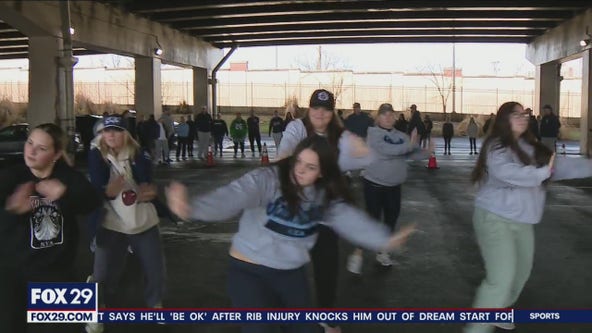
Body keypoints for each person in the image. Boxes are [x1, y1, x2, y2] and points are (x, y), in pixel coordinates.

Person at [166, 135, 414, 333]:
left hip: (289, 272)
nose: (300, 171)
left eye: (310, 167)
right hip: (248, 270)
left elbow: (351, 220)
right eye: (298, 163)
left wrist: (385, 240)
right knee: (259, 328)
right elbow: (233, 196)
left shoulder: (324, 196)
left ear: (323, 172)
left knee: (304, 327)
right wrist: (192, 208)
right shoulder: (267, 180)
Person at [465, 101, 592, 333]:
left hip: (522, 221)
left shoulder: (532, 146)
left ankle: (498, 310)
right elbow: (508, 173)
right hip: (494, 218)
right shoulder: (496, 147)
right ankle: (477, 328)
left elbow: (563, 167)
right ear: (504, 119)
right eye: (516, 114)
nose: (523, 117)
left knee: (520, 274)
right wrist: (543, 172)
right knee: (500, 279)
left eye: (525, 114)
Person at [277, 89, 374, 332]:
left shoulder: (340, 135)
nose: (320, 114)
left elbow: (361, 158)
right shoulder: (297, 128)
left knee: (327, 266)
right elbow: (285, 154)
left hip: (326, 212)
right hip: (297, 208)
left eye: (326, 109)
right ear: (309, 109)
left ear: (332, 111)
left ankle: (326, 316)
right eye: (316, 108)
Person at [0, 123, 101, 333]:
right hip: (12, 271)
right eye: (29, 143)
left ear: (55, 155)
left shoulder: (67, 178)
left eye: (42, 148)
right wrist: (12, 210)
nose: (32, 151)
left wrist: (64, 194)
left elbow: (91, 202)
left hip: (55, 270)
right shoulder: (12, 177)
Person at [86, 115, 166, 333]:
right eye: (106, 130)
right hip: (110, 221)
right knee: (102, 273)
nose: (111, 134)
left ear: (126, 134)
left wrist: (148, 189)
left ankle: (154, 305)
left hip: (141, 220)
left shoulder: (139, 154)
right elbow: (95, 188)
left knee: (154, 267)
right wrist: (106, 191)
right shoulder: (96, 155)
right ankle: (96, 309)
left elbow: (147, 180)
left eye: (116, 130)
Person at [346, 103, 428, 274]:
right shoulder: (373, 134)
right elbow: (388, 150)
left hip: (394, 187)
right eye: (384, 114)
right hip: (374, 185)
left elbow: (411, 152)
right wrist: (410, 145)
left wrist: (426, 152)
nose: (389, 117)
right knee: (372, 222)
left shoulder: (401, 136)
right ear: (378, 117)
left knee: (391, 221)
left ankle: (383, 252)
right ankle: (358, 253)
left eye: (391, 114)